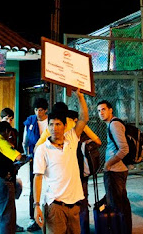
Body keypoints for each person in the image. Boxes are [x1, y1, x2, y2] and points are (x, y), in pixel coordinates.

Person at [33, 88, 89, 234]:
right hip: (55, 206)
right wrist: (37, 205)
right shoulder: (42, 149)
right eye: (51, 125)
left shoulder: (71, 138)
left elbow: (83, 119)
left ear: (65, 126)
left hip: (74, 206)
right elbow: (38, 177)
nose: (54, 128)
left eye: (58, 125)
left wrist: (80, 97)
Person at [97, 100, 133, 234]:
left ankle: (121, 230)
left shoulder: (114, 125)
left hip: (116, 171)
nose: (101, 113)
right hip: (116, 170)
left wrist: (108, 164)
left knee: (118, 206)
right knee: (120, 204)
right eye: (99, 110)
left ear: (110, 110)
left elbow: (124, 149)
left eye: (103, 109)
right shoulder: (112, 124)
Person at [0, 120, 27, 234]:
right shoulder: (1, 142)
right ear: (7, 131)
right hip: (4, 183)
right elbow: (18, 157)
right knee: (7, 217)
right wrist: (28, 157)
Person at [67, 109, 101, 234]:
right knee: (83, 200)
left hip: (70, 172)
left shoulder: (66, 132)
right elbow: (98, 141)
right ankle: (84, 229)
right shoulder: (83, 130)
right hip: (82, 172)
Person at [0, 107, 25, 232]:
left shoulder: (13, 132)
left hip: (12, 171)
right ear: (1, 118)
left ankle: (11, 224)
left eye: (11, 119)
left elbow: (17, 149)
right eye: (6, 118)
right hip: (3, 174)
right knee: (4, 205)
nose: (9, 121)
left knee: (8, 203)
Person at [22, 98, 48, 232]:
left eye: (41, 110)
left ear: (46, 110)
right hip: (34, 157)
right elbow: (25, 140)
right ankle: (33, 216)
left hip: (49, 157)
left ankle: (48, 214)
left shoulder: (50, 122)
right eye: (36, 110)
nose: (38, 112)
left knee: (48, 185)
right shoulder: (30, 121)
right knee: (34, 186)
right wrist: (27, 154)